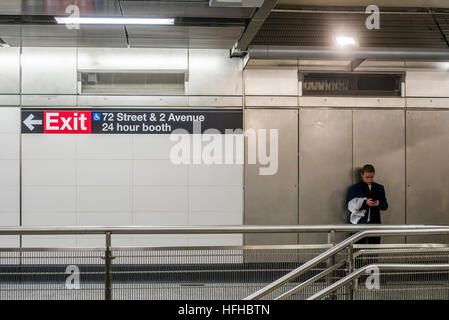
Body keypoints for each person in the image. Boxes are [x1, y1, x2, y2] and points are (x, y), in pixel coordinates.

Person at [347, 164, 388, 244]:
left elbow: (385, 206)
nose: (369, 179)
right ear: (362, 175)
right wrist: (365, 203)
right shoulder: (355, 188)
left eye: (371, 177)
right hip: (359, 223)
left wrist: (378, 204)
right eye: (367, 177)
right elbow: (350, 206)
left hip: (375, 224)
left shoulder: (379, 188)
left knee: (374, 251)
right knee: (357, 250)